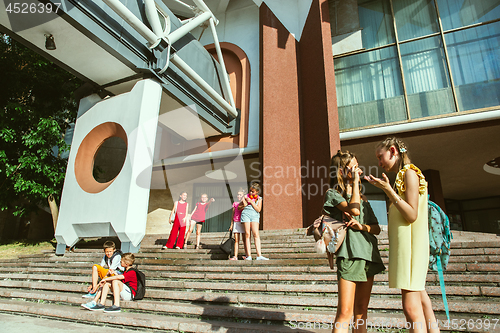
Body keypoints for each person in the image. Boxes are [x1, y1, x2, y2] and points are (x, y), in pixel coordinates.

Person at [365, 137, 439, 333]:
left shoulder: (410, 174)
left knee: (410, 308)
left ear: (392, 151)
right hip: (409, 250)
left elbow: (412, 214)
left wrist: (389, 190)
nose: (379, 162)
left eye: (380, 157)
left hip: (411, 252)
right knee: (423, 304)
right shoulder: (404, 175)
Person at [325, 150, 385, 333]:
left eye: (358, 167)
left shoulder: (363, 198)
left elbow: (376, 228)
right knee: (345, 311)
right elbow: (354, 211)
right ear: (342, 171)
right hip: (349, 254)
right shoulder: (332, 194)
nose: (359, 171)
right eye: (354, 167)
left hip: (368, 253)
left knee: (361, 312)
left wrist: (362, 228)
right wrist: (356, 183)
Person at [240, 182, 268, 261]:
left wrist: (252, 202)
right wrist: (244, 199)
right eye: (250, 191)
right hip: (246, 214)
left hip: (255, 216)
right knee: (247, 234)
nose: (251, 193)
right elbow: (243, 205)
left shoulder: (259, 199)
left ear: (257, 192)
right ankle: (249, 255)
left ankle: (259, 255)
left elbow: (258, 209)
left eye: (253, 191)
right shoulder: (246, 197)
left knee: (256, 233)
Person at [229, 189, 248, 260]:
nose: (239, 196)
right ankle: (235, 256)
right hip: (236, 222)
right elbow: (232, 214)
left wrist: (243, 199)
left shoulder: (244, 203)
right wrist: (231, 224)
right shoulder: (235, 203)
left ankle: (247, 255)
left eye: (240, 194)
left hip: (243, 222)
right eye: (238, 194)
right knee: (236, 240)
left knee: (244, 239)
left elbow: (246, 206)